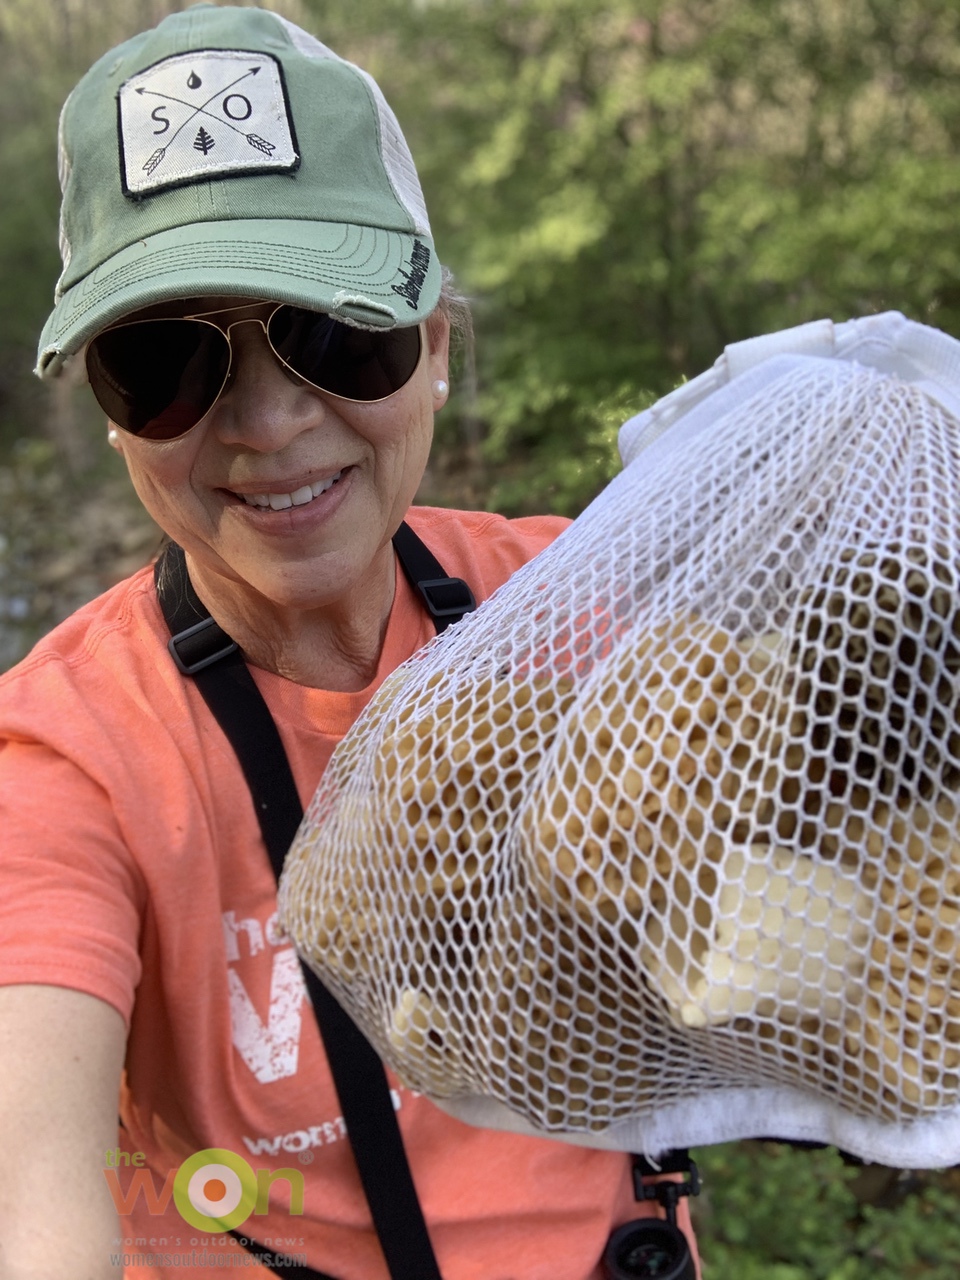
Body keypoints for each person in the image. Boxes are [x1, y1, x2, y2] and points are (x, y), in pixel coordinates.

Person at [0, 6, 699, 1278]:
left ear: (432, 348)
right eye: (165, 361)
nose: (268, 421)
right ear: (112, 417)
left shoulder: (587, 602)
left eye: (336, 332)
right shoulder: (66, 764)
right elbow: (30, 1200)